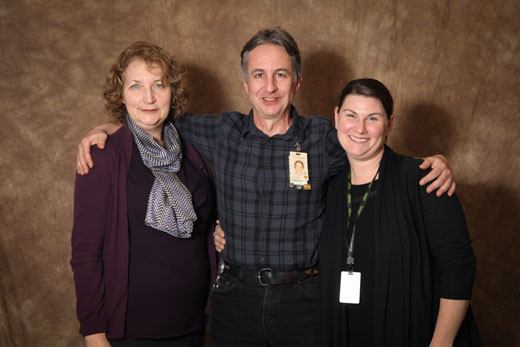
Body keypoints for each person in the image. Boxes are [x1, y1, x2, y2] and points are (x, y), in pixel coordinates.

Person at [75, 28, 455, 347]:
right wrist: (105, 130)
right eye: (258, 75)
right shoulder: (219, 132)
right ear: (245, 82)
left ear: (297, 82)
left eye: (281, 75)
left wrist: (432, 160)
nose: (269, 87)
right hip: (234, 298)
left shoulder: (326, 137)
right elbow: (150, 119)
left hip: (305, 299)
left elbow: (371, 144)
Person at [70, 41, 217, 347]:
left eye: (159, 85)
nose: (148, 98)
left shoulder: (192, 155)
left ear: (172, 91)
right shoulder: (104, 156)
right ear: (121, 95)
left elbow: (204, 234)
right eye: (136, 86)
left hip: (191, 327)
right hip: (130, 333)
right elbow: (86, 253)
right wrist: (93, 333)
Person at [319, 78, 481, 346]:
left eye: (372, 118)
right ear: (336, 117)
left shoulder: (424, 180)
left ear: (390, 124)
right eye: (351, 115)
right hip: (346, 332)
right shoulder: (332, 188)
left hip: (413, 333)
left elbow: (459, 266)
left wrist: (441, 343)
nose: (359, 128)